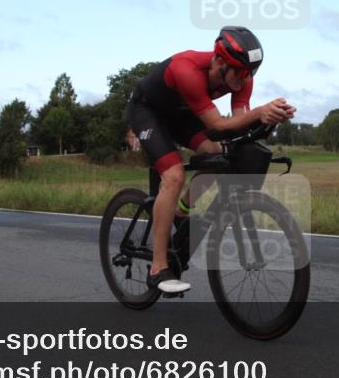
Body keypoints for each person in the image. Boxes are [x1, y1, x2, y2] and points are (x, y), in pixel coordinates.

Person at [126, 26, 296, 293]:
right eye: (239, 74)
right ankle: (158, 267)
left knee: (216, 154)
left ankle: (181, 210)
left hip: (182, 114)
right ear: (219, 61)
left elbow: (240, 121)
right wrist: (259, 112)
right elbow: (217, 122)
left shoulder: (242, 77)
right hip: (148, 111)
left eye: (250, 74)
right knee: (173, 176)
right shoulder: (187, 70)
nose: (244, 81)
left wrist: (269, 119)